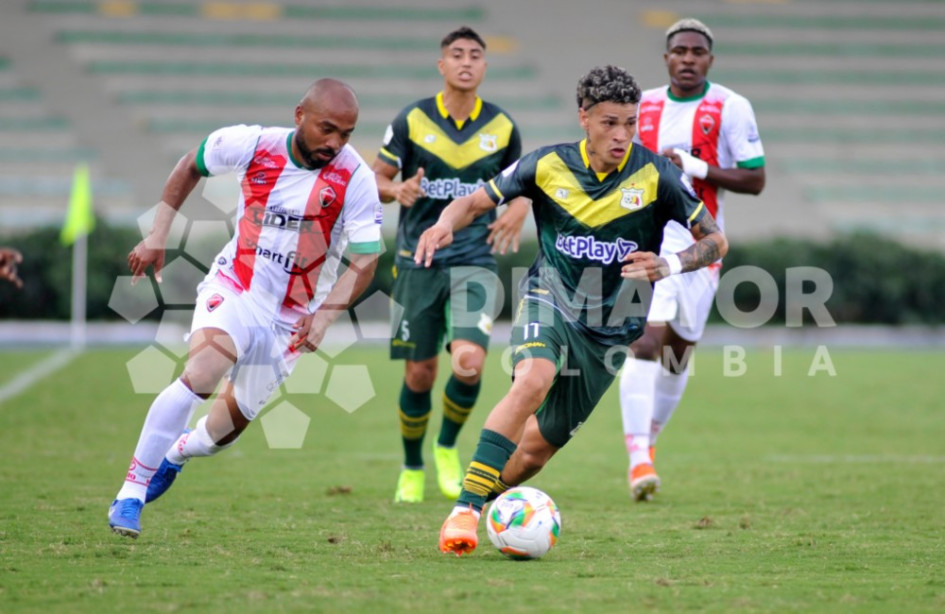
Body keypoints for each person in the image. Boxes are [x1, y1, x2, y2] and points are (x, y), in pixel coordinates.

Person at [414, 65, 729, 555]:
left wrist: (669, 264)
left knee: (536, 452)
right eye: (609, 123)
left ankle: (496, 509)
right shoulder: (546, 165)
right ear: (583, 118)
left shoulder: (658, 176)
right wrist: (443, 224)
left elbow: (715, 240)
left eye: (630, 122)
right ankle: (465, 511)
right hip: (551, 298)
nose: (622, 135)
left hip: (610, 330)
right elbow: (477, 201)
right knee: (533, 378)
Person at [108, 79, 383, 538]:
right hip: (236, 288)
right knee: (201, 373)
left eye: (347, 134)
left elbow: (367, 259)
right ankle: (131, 491)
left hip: (292, 321)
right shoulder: (254, 145)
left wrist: (326, 316)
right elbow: (189, 165)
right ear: (300, 115)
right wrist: (158, 234)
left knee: (220, 435)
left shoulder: (355, 178)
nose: (335, 143)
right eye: (327, 129)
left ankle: (176, 453)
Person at [373, 26, 530, 503]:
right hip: (417, 260)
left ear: (485, 66)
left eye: (475, 55)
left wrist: (519, 211)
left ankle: (446, 448)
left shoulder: (502, 127)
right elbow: (375, 177)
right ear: (442, 66)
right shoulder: (411, 120)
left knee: (469, 364)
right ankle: (412, 464)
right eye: (456, 54)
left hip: (474, 260)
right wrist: (396, 190)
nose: (466, 62)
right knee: (419, 373)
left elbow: (525, 184)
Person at [618, 18, 766, 502]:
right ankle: (638, 456)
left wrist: (696, 166)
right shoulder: (644, 106)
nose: (687, 58)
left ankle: (650, 444)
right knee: (645, 342)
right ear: (666, 58)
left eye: (696, 51)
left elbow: (756, 179)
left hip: (703, 246)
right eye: (678, 50)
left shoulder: (731, 107)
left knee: (677, 356)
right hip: (650, 241)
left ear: (709, 60)